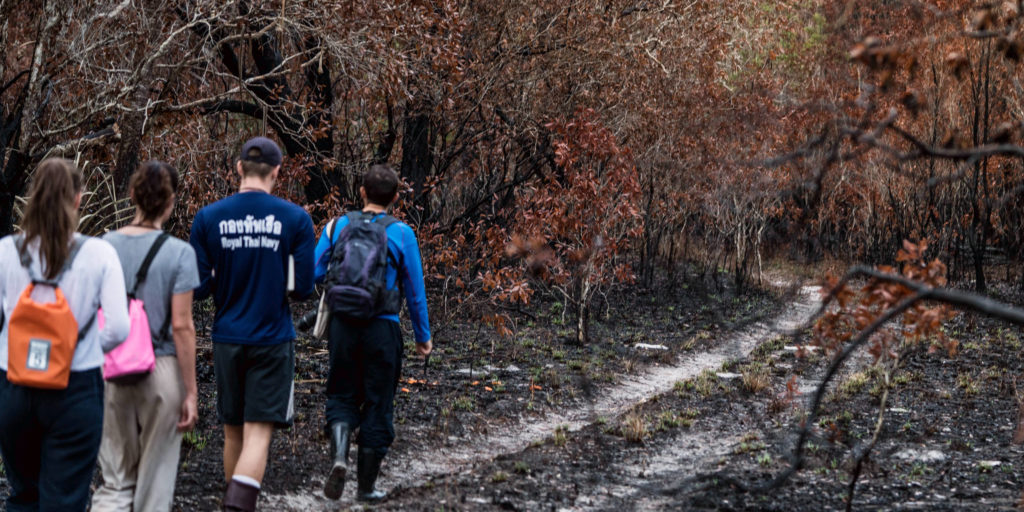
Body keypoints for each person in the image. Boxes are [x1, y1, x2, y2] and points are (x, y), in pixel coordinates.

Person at [189, 137, 315, 512]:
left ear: (239, 169)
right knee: (258, 434)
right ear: (277, 172)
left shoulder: (208, 218)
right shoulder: (295, 219)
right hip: (273, 338)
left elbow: (198, 288)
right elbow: (304, 289)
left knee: (233, 431)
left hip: (227, 337)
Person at [0, 158, 131, 511]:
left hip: (13, 385)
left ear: (33, 196)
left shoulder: (4, 252)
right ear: (78, 199)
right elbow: (119, 327)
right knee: (65, 499)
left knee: (23, 496)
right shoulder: (100, 254)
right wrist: (76, 345)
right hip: (75, 388)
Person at [313, 163, 432, 501]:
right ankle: (366, 488)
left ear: (361, 192)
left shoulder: (336, 226)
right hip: (383, 328)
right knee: (379, 404)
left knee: (340, 394)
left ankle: (339, 456)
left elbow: (313, 272)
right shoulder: (402, 233)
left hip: (342, 328)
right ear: (395, 197)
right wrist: (423, 336)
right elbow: (415, 291)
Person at [91, 161, 200, 512]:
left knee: (116, 478)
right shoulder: (180, 254)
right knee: (155, 485)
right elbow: (182, 326)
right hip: (162, 371)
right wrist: (191, 391)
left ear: (132, 195)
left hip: (111, 367)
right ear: (171, 202)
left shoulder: (104, 246)